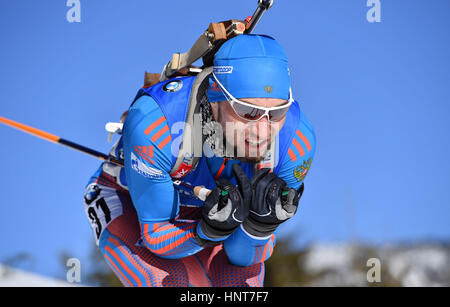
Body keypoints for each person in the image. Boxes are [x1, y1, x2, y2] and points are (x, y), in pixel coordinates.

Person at [83, 34, 316, 287]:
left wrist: (258, 227)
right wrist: (206, 232)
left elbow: (243, 259)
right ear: (216, 98)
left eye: (277, 112)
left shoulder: (296, 142)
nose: (262, 132)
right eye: (248, 112)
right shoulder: (155, 125)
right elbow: (156, 237)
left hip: (210, 217)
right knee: (179, 285)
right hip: (130, 201)